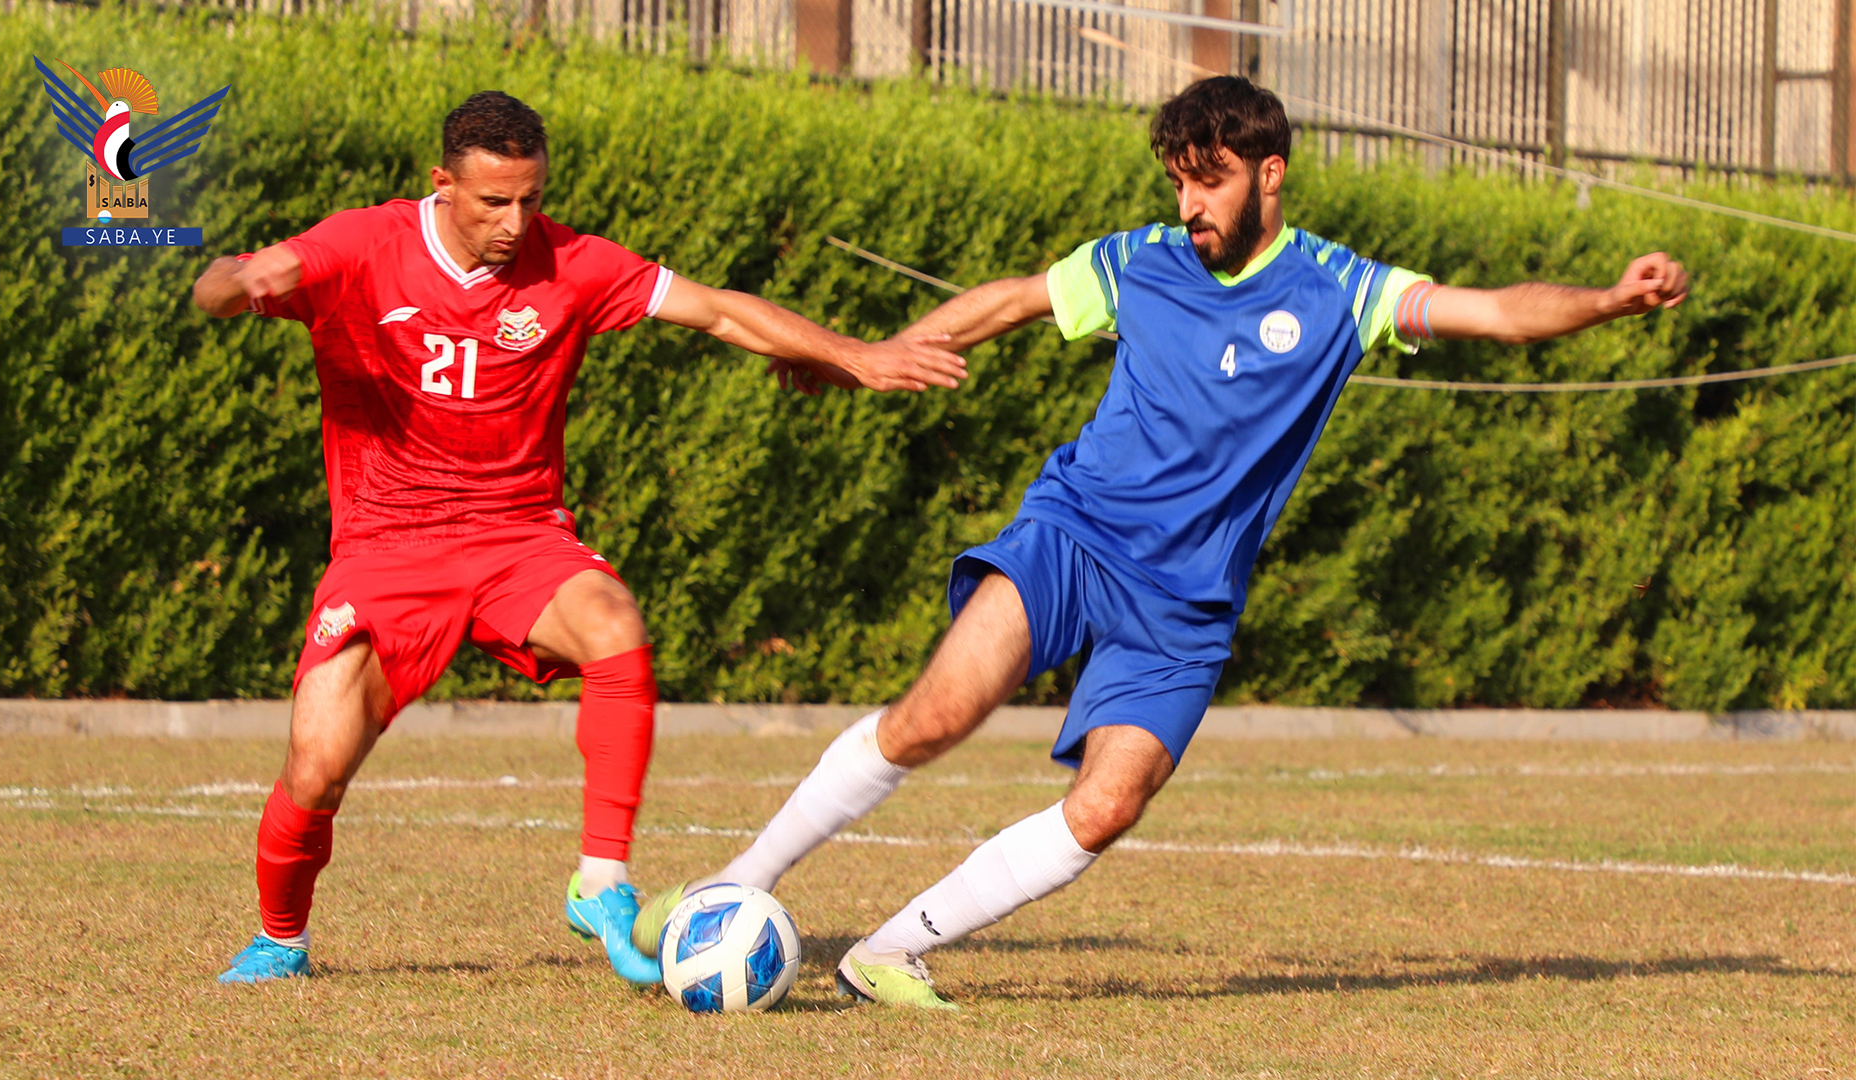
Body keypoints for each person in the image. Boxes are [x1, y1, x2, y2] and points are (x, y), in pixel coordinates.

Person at [632, 75, 1689, 1008]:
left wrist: (1607, 301)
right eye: (1179, 182)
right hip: (1076, 534)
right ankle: (737, 883)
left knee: (1107, 805)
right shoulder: (1139, 260)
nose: (1189, 206)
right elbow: (1011, 303)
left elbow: (1497, 313)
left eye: (1209, 182)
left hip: (1187, 603)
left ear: (1270, 175)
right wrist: (865, 357)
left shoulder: (1341, 291)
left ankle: (891, 952)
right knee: (935, 716)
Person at [191, 91, 964, 986]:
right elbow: (223, 282)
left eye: (531, 198)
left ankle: (600, 881)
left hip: (518, 535)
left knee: (613, 624)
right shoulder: (363, 245)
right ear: (443, 184)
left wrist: (854, 355)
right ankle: (281, 938)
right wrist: (237, 283)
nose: (515, 222)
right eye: (493, 202)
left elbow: (717, 311)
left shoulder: (572, 264)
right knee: (316, 771)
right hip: (388, 546)